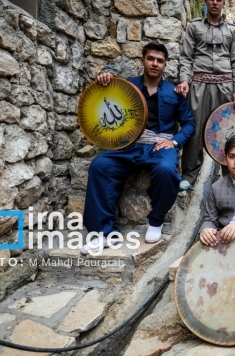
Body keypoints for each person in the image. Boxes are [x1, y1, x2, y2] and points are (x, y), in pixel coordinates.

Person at [81, 43, 195, 255]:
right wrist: (105, 79)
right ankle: (103, 233)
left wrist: (174, 142)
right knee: (100, 165)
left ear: (165, 65)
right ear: (142, 60)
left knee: (167, 170)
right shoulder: (126, 85)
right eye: (151, 58)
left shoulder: (174, 92)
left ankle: (156, 221)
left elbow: (189, 123)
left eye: (160, 61)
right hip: (129, 145)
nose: (155, 64)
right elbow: (105, 99)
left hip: (160, 146)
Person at [175, 0, 235, 191]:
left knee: (226, 132)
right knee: (195, 130)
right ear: (205, 0)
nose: (215, 2)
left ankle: (230, 176)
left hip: (225, 86)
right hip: (199, 85)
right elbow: (186, 57)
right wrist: (184, 80)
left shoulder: (231, 30)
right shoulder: (194, 27)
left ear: (224, 2)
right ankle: (189, 176)